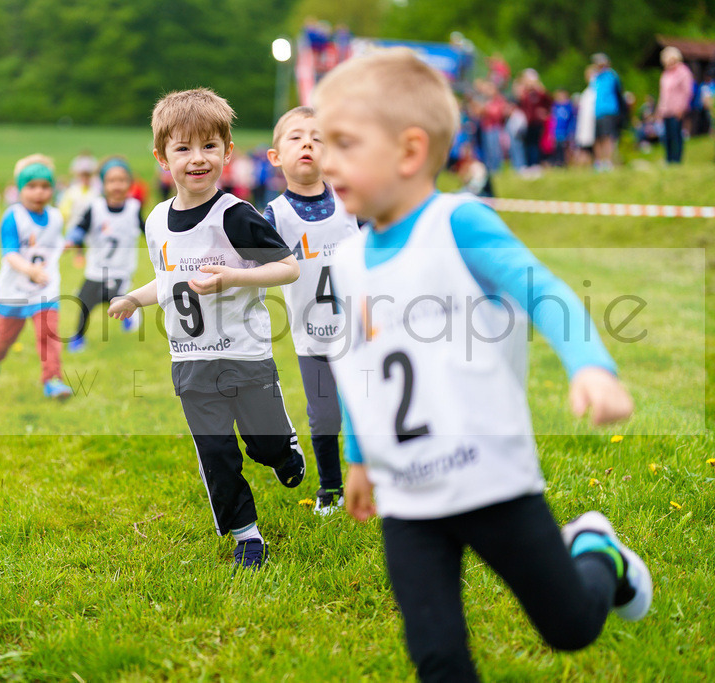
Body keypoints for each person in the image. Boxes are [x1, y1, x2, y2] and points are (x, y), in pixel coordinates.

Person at [313, 49, 652, 682]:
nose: (326, 160)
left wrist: (591, 365)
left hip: (491, 478)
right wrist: (358, 458)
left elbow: (543, 290)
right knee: (436, 656)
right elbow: (359, 366)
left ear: (409, 152)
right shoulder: (348, 259)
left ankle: (598, 549)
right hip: (409, 496)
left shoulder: (457, 222)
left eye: (344, 143)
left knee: (570, 626)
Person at [107, 88, 304, 569]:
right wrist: (136, 296)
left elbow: (287, 268)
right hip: (190, 359)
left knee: (263, 444)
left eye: (209, 147)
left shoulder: (234, 216)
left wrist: (234, 277)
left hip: (245, 353)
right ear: (161, 157)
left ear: (227, 152)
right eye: (183, 148)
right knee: (216, 451)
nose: (198, 159)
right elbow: (169, 278)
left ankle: (283, 448)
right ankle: (246, 534)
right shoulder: (155, 221)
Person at [263, 106, 359, 514]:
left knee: (370, 408)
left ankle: (382, 478)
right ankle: (332, 489)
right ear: (275, 157)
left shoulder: (353, 201)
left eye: (317, 138)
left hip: (363, 331)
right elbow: (252, 263)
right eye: (296, 137)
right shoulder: (273, 216)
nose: (307, 144)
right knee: (323, 417)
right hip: (313, 339)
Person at [0, 155, 73, 399]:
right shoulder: (13, 217)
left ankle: (52, 380)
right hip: (14, 291)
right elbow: (9, 254)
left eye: (45, 186)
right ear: (19, 189)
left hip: (46, 289)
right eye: (31, 186)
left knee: (49, 336)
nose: (38, 192)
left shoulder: (55, 217)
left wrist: (71, 245)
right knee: (5, 339)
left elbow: (52, 244)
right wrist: (29, 270)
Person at [66, 156, 144, 352]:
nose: (117, 185)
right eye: (111, 180)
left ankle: (129, 314)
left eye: (122, 180)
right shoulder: (95, 208)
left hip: (121, 270)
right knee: (85, 303)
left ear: (129, 183)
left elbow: (148, 231)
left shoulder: (134, 208)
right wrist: (72, 239)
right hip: (96, 269)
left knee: (116, 299)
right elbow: (80, 228)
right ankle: (78, 338)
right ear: (102, 183)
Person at [657, 46, 695, 165]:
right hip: (666, 110)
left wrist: (682, 108)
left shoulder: (683, 72)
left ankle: (677, 160)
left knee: (676, 135)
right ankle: (668, 160)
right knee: (666, 136)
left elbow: (687, 91)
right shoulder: (666, 74)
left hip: (677, 109)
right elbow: (662, 94)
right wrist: (659, 110)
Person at [591, 53, 623, 171]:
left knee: (607, 136)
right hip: (597, 111)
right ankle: (599, 162)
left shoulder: (611, 75)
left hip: (609, 110)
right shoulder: (596, 78)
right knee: (597, 138)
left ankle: (608, 161)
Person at [58, 151, 100, 233]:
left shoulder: (95, 192)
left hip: (90, 229)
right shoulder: (72, 191)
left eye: (87, 176)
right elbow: (64, 210)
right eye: (83, 175)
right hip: (73, 226)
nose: (85, 178)